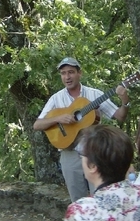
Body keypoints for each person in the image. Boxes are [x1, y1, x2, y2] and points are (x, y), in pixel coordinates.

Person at [33, 57, 130, 201]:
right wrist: (58, 118)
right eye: (63, 73)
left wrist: (124, 100)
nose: (67, 77)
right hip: (69, 152)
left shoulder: (95, 95)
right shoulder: (56, 98)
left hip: (95, 153)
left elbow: (120, 116)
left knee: (100, 196)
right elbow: (37, 125)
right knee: (77, 199)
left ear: (80, 73)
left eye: (71, 72)